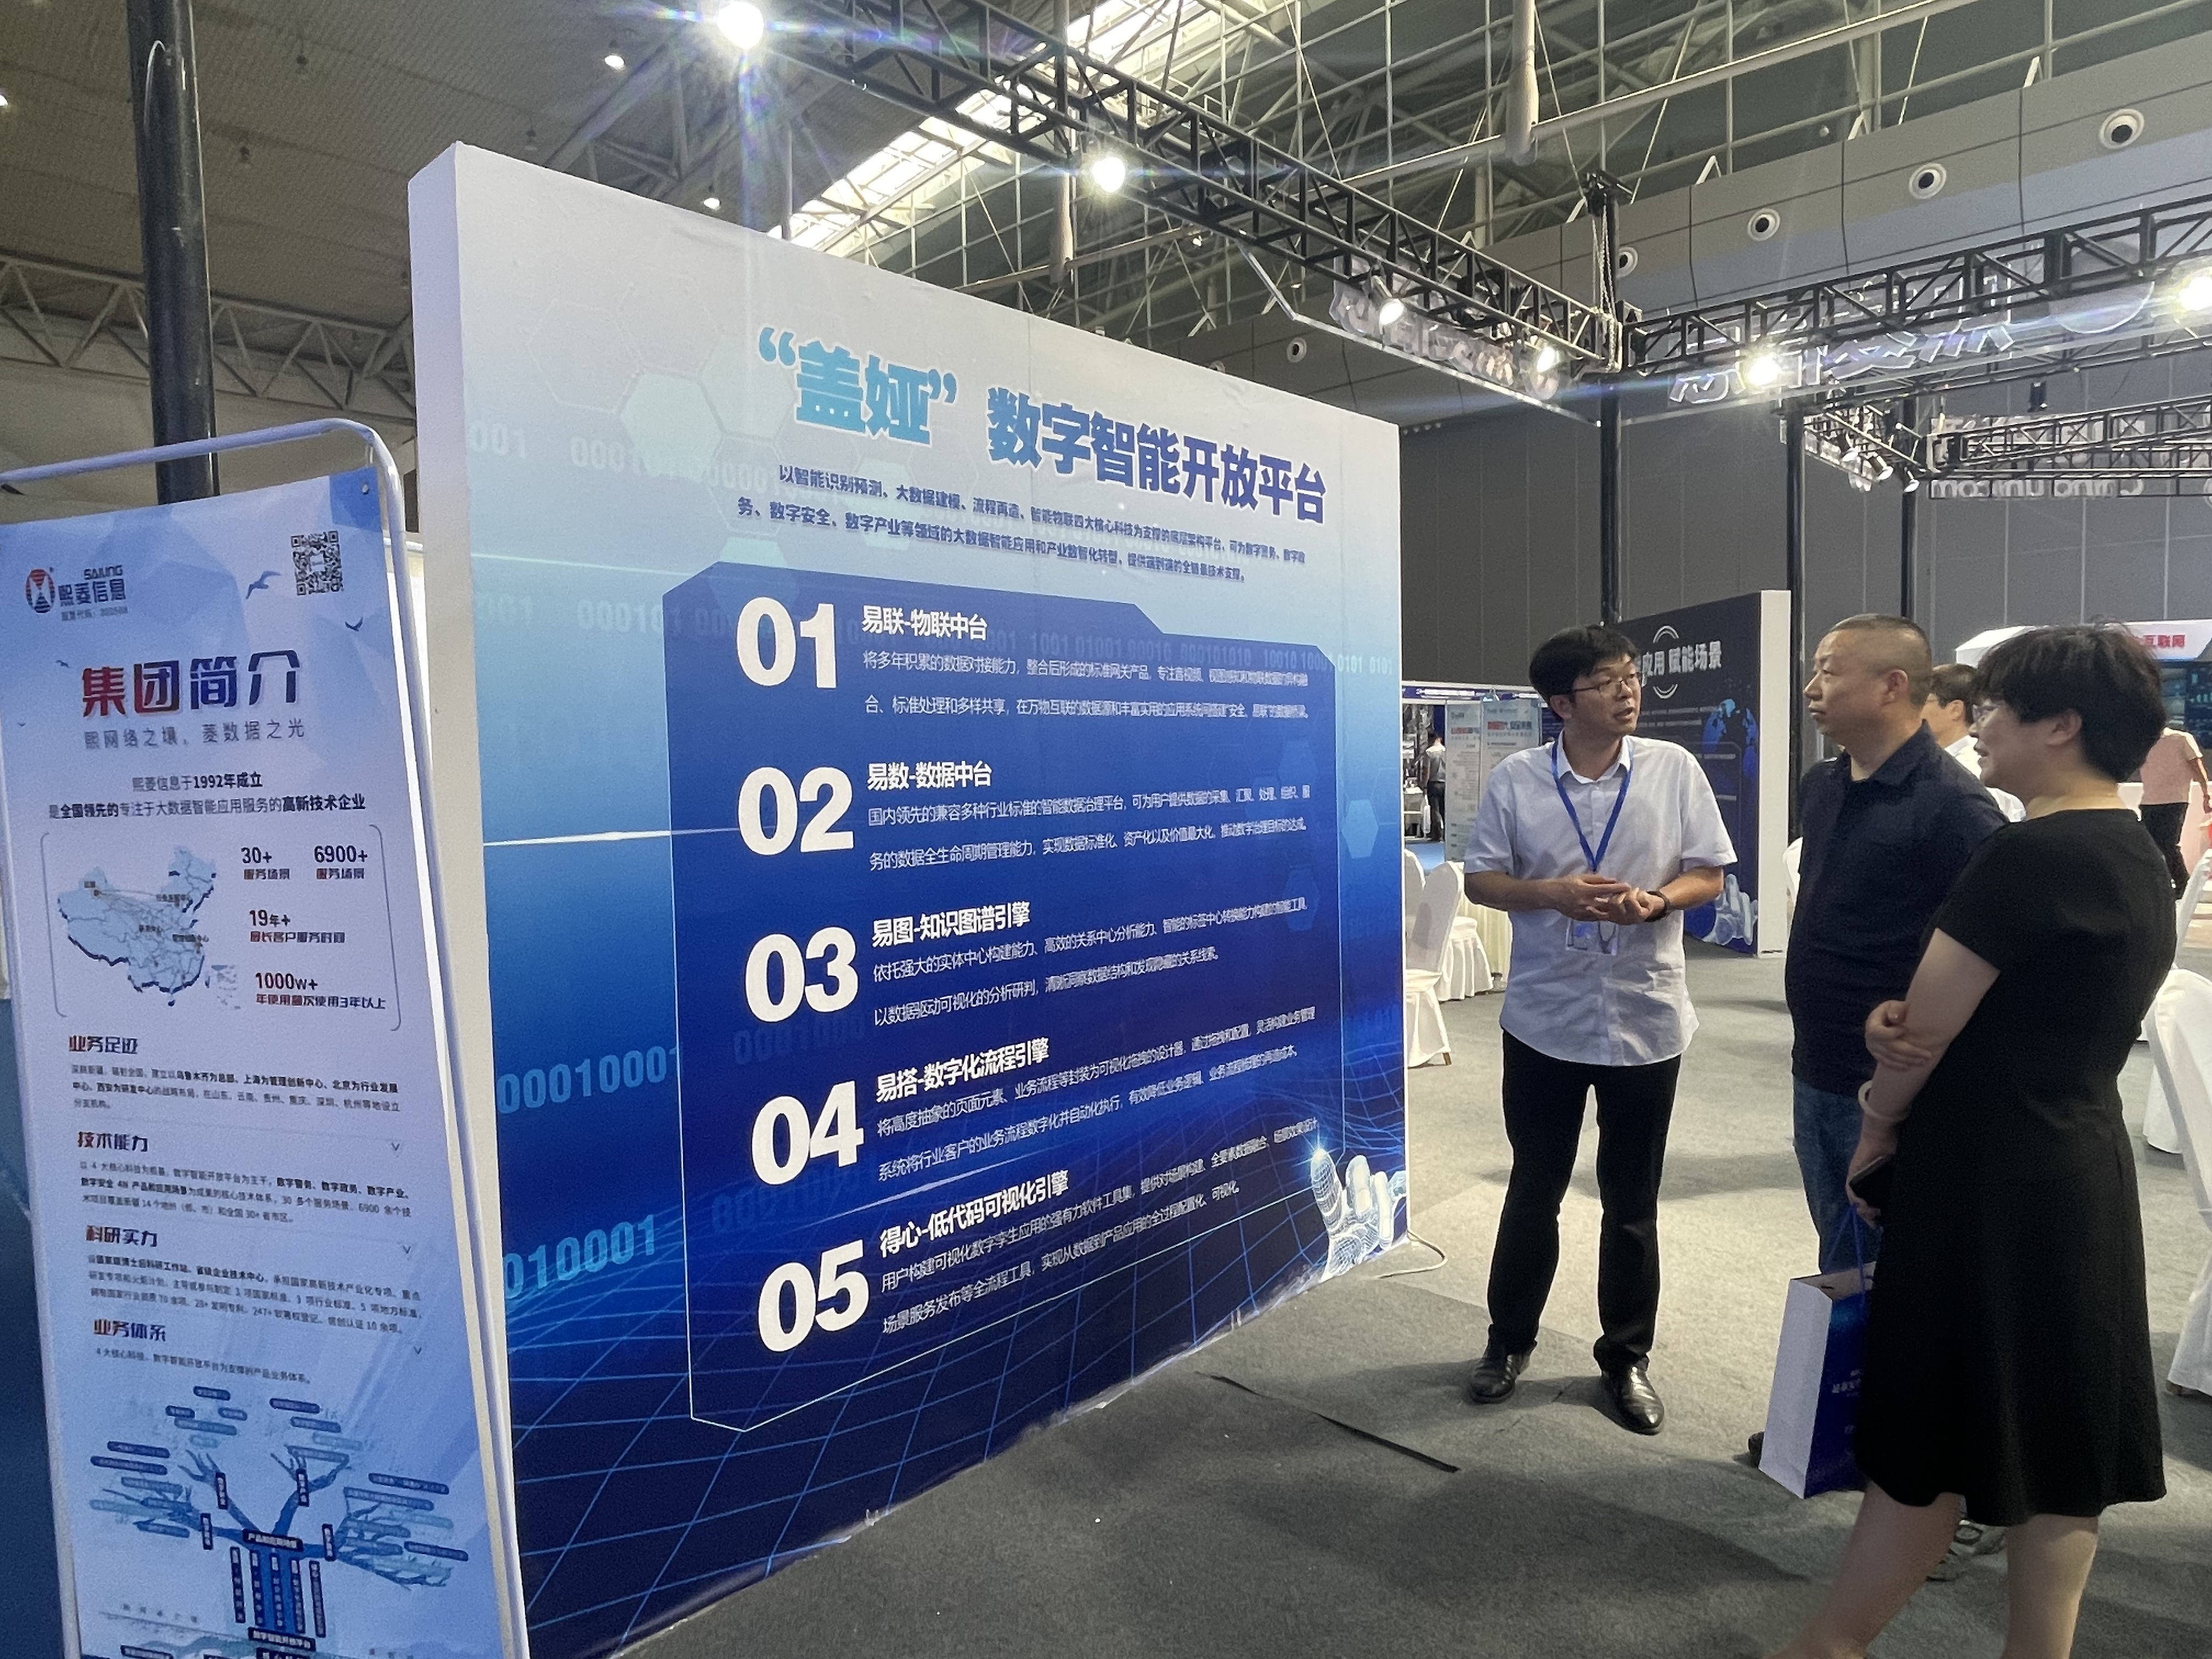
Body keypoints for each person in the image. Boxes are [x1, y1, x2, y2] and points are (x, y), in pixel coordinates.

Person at [1768, 624, 2171, 1659]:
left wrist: (1876, 1122)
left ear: (2061, 724)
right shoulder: (2135, 848)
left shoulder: (2025, 854)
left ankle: (1829, 1643)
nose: (1976, 722)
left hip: (1980, 1175)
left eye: (1995, 707)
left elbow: (1923, 1029)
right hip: (2079, 1165)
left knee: (1925, 1436)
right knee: (2055, 1439)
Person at [1460, 625, 1733, 1435]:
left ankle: (1625, 1359)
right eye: (1608, 681)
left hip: (1646, 1017)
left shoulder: (1672, 769)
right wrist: (1554, 895)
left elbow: (1709, 873)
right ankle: (1508, 1342)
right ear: (1561, 703)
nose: (1628, 692)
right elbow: (1481, 879)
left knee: (1632, 1200)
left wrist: (1657, 901)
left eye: (1632, 677)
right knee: (1533, 1188)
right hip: (1545, 1018)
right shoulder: (1517, 780)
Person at [1791, 618, 2004, 1274]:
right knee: (1840, 1258)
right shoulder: (1823, 785)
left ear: (1892, 685)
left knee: (1891, 1267)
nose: (1811, 688)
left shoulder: (1956, 809)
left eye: (1829, 671)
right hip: (1816, 1064)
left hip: (1891, 1083)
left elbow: (1988, 957)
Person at [1925, 662, 2024, 822]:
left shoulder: (1973, 768)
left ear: (1955, 710)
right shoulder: (1944, 763)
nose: (1912, 709)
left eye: (1922, 700)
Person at [2136, 722, 2210, 893]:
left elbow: (2197, 767)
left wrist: (2206, 795)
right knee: (2148, 845)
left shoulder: (2181, 739)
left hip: (2176, 799)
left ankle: (2183, 884)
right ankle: (2158, 883)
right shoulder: (2143, 742)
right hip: (2149, 800)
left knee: (2169, 844)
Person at [1421, 723, 1449, 841]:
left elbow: (1426, 770)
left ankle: (1437, 835)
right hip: (1446, 783)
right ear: (1440, 739)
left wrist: (1424, 785)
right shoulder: (1447, 751)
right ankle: (1448, 834)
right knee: (1445, 810)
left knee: (1435, 809)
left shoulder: (1429, 752)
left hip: (1433, 783)